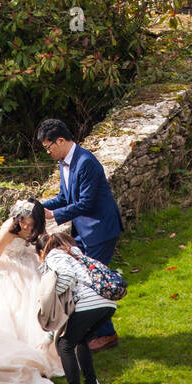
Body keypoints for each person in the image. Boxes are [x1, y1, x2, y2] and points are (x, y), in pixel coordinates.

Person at [37, 117, 123, 351]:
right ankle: (94, 330)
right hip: (85, 230)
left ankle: (106, 335)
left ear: (61, 140)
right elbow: (65, 198)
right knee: (82, 279)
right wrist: (39, 206)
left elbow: (85, 203)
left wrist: (53, 216)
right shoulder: (64, 162)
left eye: (48, 147)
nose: (48, 152)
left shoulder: (86, 162)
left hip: (100, 230)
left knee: (92, 282)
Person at [0, 197, 64, 384]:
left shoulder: (38, 227)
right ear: (17, 217)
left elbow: (42, 248)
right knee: (14, 307)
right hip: (7, 267)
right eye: (24, 222)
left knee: (37, 302)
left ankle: (44, 356)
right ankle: (24, 364)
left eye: (31, 224)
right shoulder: (9, 227)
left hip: (27, 264)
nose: (26, 226)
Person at [38, 231, 115, 384]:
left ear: (44, 250)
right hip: (107, 303)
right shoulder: (76, 254)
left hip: (88, 304)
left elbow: (65, 275)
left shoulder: (55, 255)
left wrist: (51, 294)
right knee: (80, 339)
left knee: (64, 345)